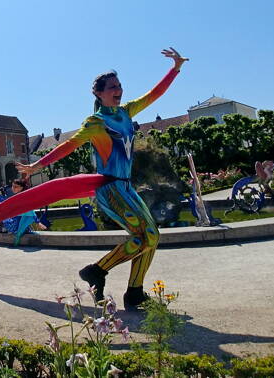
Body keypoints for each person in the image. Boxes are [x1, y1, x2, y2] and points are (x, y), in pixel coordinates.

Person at [17, 47, 188, 309]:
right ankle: (100, 272)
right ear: (99, 93)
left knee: (150, 237)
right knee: (150, 235)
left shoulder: (126, 112)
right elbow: (69, 145)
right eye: (112, 87)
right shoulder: (95, 122)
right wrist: (37, 165)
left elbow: (155, 94)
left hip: (127, 188)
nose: (118, 90)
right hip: (110, 188)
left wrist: (175, 68)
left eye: (119, 85)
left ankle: (131, 291)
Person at [0, 179, 48, 245]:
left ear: (21, 188)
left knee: (4, 210)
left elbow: (29, 210)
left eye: (16, 187)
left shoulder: (22, 197)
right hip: (14, 223)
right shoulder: (18, 197)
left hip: (14, 225)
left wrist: (37, 222)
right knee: (3, 208)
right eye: (12, 186)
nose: (13, 188)